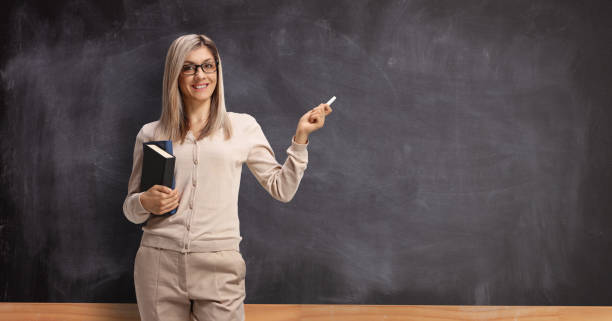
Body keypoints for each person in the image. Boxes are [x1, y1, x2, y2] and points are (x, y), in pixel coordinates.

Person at [122, 33, 332, 321]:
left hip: (219, 266)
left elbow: (281, 189)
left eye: (208, 66)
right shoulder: (151, 133)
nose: (200, 75)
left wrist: (300, 139)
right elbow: (131, 210)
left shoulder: (242, 127)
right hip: (158, 265)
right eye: (189, 67)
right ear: (175, 73)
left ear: (218, 71)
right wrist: (144, 202)